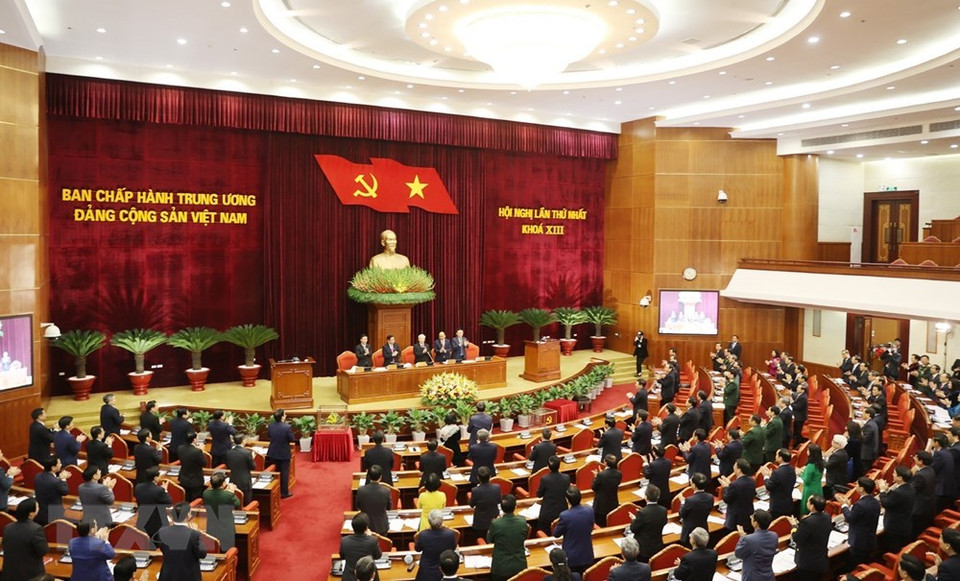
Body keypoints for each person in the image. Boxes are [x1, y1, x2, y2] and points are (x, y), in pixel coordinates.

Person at [154, 502, 207, 581]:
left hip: (168, 576)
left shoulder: (162, 532)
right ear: (187, 516)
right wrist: (197, 533)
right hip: (189, 577)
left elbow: (163, 550)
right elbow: (202, 554)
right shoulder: (194, 534)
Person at [0, 499, 47, 581]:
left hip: (9, 573)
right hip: (30, 575)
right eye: (37, 507)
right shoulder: (36, 529)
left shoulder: (8, 527)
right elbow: (43, 551)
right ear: (31, 513)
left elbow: (5, 545)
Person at [840, 477, 881, 570]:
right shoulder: (875, 502)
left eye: (857, 485)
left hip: (859, 543)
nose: (856, 487)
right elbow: (861, 514)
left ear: (862, 489)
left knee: (855, 567)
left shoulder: (860, 505)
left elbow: (850, 518)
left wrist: (844, 505)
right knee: (865, 563)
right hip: (870, 540)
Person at [553, 487, 594, 574]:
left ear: (567, 500)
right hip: (587, 554)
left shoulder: (565, 516)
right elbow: (590, 527)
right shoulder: (589, 510)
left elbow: (556, 534)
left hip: (572, 558)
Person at [488, 494, 529, 581]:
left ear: (501, 508)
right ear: (516, 506)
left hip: (501, 567)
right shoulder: (522, 521)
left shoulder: (496, 523)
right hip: (520, 565)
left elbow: (489, 540)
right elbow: (524, 536)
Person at [791, 494, 831, 580]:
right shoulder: (827, 517)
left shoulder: (807, 522)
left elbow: (797, 538)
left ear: (812, 506)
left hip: (808, 565)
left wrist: (794, 526)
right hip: (821, 560)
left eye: (808, 501)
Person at [878, 465, 917, 553]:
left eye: (894, 473)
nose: (892, 475)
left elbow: (885, 504)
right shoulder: (910, 487)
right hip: (905, 524)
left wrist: (882, 491)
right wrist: (888, 490)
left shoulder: (899, 492)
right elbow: (897, 499)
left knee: (894, 549)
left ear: (900, 478)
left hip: (895, 527)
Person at [414, 509, 458, 581]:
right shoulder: (450, 534)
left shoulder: (423, 535)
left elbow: (417, 549)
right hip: (445, 571)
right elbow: (453, 548)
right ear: (442, 521)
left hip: (426, 573)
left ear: (429, 521)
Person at [202, 471, 241, 550]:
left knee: (214, 549)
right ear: (223, 484)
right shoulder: (228, 495)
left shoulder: (205, 493)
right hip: (226, 528)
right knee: (227, 551)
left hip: (212, 526)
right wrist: (231, 491)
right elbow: (237, 504)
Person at [734, 509, 777, 581]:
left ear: (756, 523)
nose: (750, 518)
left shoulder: (749, 539)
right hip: (768, 576)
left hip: (752, 578)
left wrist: (742, 537)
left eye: (752, 517)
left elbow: (738, 554)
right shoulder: (774, 536)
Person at [339, 513, 382, 581]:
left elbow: (342, 556)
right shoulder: (372, 540)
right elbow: (378, 556)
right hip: (369, 576)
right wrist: (369, 537)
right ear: (366, 527)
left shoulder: (344, 541)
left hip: (350, 577)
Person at [630, 484, 667, 562]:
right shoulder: (663, 510)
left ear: (646, 497)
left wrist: (634, 519)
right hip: (658, 546)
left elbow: (633, 529)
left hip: (644, 549)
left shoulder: (642, 513)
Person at [134, 466, 172, 542]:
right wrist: (165, 490)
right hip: (156, 525)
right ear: (155, 478)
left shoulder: (138, 487)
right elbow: (169, 503)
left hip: (142, 522)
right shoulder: (159, 491)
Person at [536, 455, 570, 534]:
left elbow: (539, 495)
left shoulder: (545, 479)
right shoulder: (566, 477)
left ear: (548, 467)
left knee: (543, 532)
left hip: (548, 513)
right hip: (563, 511)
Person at [720, 459, 756, 533]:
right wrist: (729, 486)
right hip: (747, 516)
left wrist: (726, 487)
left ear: (739, 470)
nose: (733, 467)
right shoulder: (751, 481)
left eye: (735, 466)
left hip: (735, 519)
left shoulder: (734, 485)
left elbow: (726, 499)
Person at [266, 409, 295, 497]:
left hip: (273, 453)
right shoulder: (287, 427)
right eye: (285, 414)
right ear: (282, 416)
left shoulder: (270, 426)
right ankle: (284, 493)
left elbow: (269, 436)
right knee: (284, 473)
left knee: (274, 472)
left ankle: (275, 491)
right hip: (283, 453)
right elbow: (292, 439)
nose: (286, 415)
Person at [760, 448, 795, 518]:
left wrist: (766, 477)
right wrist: (771, 476)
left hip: (777, 506)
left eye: (776, 455)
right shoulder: (792, 469)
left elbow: (769, 486)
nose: (775, 456)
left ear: (780, 458)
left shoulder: (777, 472)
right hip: (788, 504)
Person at [469, 466, 501, 543]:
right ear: (490, 477)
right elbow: (499, 500)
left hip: (480, 522)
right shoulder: (497, 488)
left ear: (478, 478)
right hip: (494, 519)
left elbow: (471, 505)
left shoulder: (475, 490)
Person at [356, 465, 391, 536]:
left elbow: (357, 506)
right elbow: (389, 508)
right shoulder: (386, 491)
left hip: (365, 527)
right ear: (380, 477)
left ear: (368, 476)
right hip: (381, 527)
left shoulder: (361, 490)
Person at [680, 473, 713, 546]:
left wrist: (682, 502)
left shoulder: (690, 500)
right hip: (703, 529)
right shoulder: (710, 497)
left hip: (690, 532)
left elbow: (682, 514)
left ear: (694, 485)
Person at [34, 456, 69, 525]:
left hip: (40, 512)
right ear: (53, 467)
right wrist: (63, 479)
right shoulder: (55, 482)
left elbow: (50, 485)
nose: (61, 465)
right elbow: (65, 491)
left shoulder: (37, 476)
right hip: (54, 514)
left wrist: (59, 479)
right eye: (59, 463)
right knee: (59, 533)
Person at [911, 450, 937, 536]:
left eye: (916, 457)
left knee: (916, 532)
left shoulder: (920, 475)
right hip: (929, 506)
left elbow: (912, 489)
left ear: (921, 461)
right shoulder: (930, 470)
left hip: (920, 509)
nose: (914, 458)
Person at [591, 454, 621, 526]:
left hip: (601, 506)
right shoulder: (619, 474)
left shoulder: (601, 475)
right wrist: (601, 474)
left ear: (605, 462)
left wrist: (596, 477)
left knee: (600, 525)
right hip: (613, 503)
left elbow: (594, 487)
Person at [226, 434, 255, 505]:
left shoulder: (229, 452)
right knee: (246, 503)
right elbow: (253, 467)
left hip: (233, 480)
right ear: (243, 441)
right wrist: (252, 458)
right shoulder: (247, 453)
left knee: (235, 503)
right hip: (245, 481)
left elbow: (228, 465)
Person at [932, 433, 958, 510]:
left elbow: (933, 469)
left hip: (940, 488)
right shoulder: (947, 452)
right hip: (948, 487)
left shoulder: (938, 454)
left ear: (936, 443)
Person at [177, 430, 206, 502]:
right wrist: (202, 451)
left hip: (183, 478)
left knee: (186, 500)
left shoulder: (180, 448)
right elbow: (204, 463)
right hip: (195, 481)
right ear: (194, 440)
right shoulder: (197, 451)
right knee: (195, 502)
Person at [799, 444, 825, 515]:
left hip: (809, 490)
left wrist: (800, 474)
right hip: (818, 488)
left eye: (808, 450)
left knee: (807, 510)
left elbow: (807, 481)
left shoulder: (810, 466)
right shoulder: (820, 463)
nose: (806, 451)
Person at [825, 434, 850, 499]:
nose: (832, 442)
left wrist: (820, 459)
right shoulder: (842, 452)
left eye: (833, 441)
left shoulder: (837, 455)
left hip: (834, 481)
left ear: (839, 445)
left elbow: (827, 465)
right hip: (839, 478)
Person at [862, 407, 882, 475]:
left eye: (864, 413)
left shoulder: (869, 425)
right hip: (871, 452)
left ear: (868, 414)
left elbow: (865, 439)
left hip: (867, 453)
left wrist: (857, 434)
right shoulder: (872, 423)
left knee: (864, 471)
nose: (862, 414)